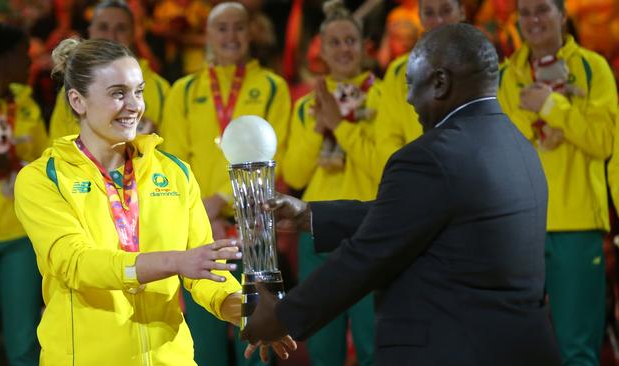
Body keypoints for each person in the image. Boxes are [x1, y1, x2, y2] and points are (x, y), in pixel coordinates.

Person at [241, 23, 562, 366]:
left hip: (452, 350)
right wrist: (311, 214)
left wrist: (280, 316)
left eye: (412, 85)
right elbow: (414, 215)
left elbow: (367, 256)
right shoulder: (520, 147)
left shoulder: (430, 156)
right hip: (521, 347)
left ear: (440, 82)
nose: (408, 98)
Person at [13, 37, 295, 366]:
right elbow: (74, 264)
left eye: (139, 91)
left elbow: (204, 272)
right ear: (78, 101)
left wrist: (248, 313)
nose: (134, 105)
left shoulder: (174, 172)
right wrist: (174, 261)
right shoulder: (43, 178)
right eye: (118, 93)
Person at [160, 3, 291, 365]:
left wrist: (223, 199)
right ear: (208, 36)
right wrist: (204, 213)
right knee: (205, 340)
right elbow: (173, 160)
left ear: (251, 34)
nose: (231, 36)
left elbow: (276, 157)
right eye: (222, 28)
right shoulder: (183, 90)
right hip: (201, 228)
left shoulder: (271, 86)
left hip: (254, 228)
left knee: (255, 335)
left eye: (239, 28)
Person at [498, 0, 617, 364]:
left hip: (576, 225)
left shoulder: (592, 67)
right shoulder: (504, 76)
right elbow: (499, 148)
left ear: (563, 15)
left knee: (578, 351)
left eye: (542, 9)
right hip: (518, 228)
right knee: (511, 350)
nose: (533, 20)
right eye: (526, 12)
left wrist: (552, 107)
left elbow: (604, 140)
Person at [281, 1, 380, 364]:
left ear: (365, 46)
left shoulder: (384, 97)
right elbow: (294, 175)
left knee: (374, 345)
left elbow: (386, 170)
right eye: (334, 42)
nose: (343, 49)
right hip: (317, 231)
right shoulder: (306, 105)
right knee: (323, 348)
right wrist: (320, 127)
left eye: (350, 40)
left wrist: (341, 126)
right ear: (321, 50)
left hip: (369, 229)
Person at [0, 23, 47, 366]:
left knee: (25, 340)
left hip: (20, 234)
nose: (30, 63)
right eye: (23, 56)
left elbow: (46, 162)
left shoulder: (27, 104)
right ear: (2, 60)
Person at [48, 0, 170, 141]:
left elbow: (169, 152)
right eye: (103, 27)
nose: (111, 36)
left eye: (121, 28)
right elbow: (57, 148)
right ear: (90, 31)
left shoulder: (161, 89)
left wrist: (151, 138)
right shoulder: (72, 89)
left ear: (134, 33)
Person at [372, 0, 465, 178]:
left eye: (446, 11)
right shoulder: (398, 71)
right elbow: (387, 141)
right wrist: (415, 178)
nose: (438, 20)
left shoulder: (482, 66)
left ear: (461, 12)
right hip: (417, 184)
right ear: (420, 17)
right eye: (429, 13)